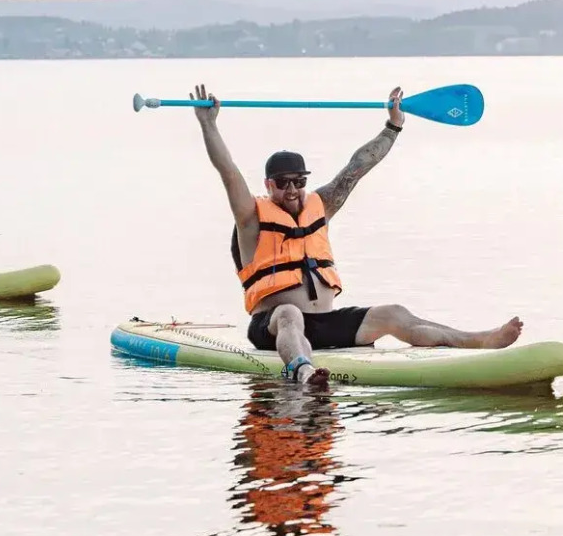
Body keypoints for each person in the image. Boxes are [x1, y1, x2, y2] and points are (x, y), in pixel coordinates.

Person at [190, 82, 522, 389]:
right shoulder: (251, 220)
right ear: (268, 185)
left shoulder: (321, 206)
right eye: (283, 182)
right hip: (274, 326)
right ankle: (303, 370)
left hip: (326, 324)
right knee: (290, 314)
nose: (292, 190)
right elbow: (228, 172)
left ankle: (478, 341)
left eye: (299, 181)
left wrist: (393, 127)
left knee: (392, 313)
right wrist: (209, 125)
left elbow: (357, 168)